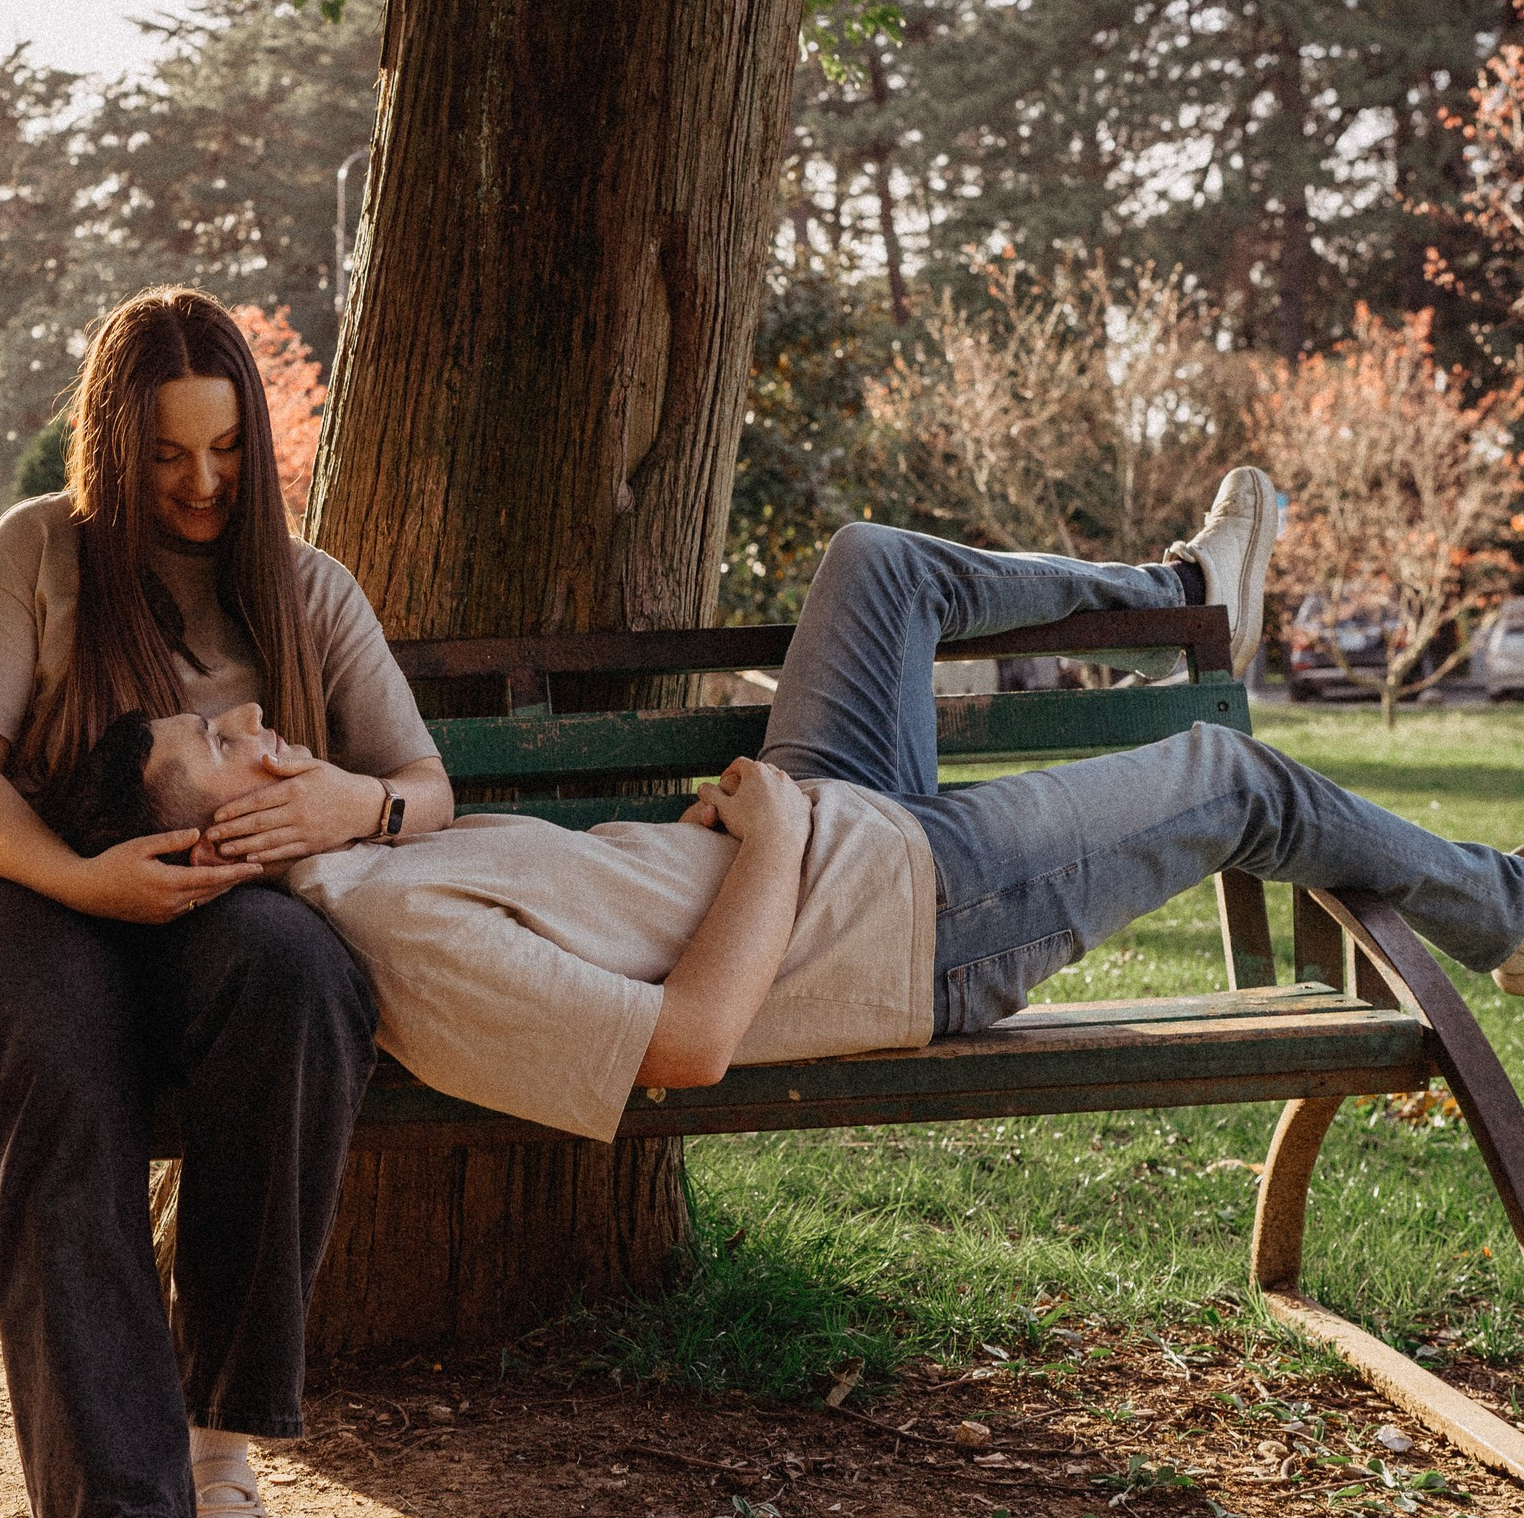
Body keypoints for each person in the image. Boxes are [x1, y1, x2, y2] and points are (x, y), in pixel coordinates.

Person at [232, 466, 1520, 1134]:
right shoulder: (400, 943)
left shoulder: (369, 850)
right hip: (907, 919)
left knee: (879, 565)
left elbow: (576, 884)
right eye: (215, 746)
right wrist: (775, 844)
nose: (246, 722)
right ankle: (1505, 907)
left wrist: (734, 835)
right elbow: (683, 1049)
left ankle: (1186, 591)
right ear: (215, 836)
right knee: (1235, 780)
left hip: (816, 832)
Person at [0, 286, 451, 1518]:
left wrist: (356, 802)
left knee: (305, 979)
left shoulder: (309, 590)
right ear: (111, 445)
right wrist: (84, 887)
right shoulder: (40, 553)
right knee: (62, 1075)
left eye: (225, 453)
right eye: (166, 457)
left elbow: (429, 788)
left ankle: (213, 1458)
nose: (202, 486)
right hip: (26, 899)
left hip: (223, 921)